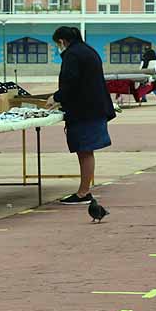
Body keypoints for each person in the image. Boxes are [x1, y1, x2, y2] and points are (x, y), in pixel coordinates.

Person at [49, 26, 115, 205]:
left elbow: (71, 82)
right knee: (86, 150)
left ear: (62, 41)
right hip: (94, 108)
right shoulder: (88, 50)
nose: (58, 48)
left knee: (85, 150)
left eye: (57, 44)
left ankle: (84, 192)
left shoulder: (73, 55)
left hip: (85, 111)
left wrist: (56, 97)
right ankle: (84, 190)